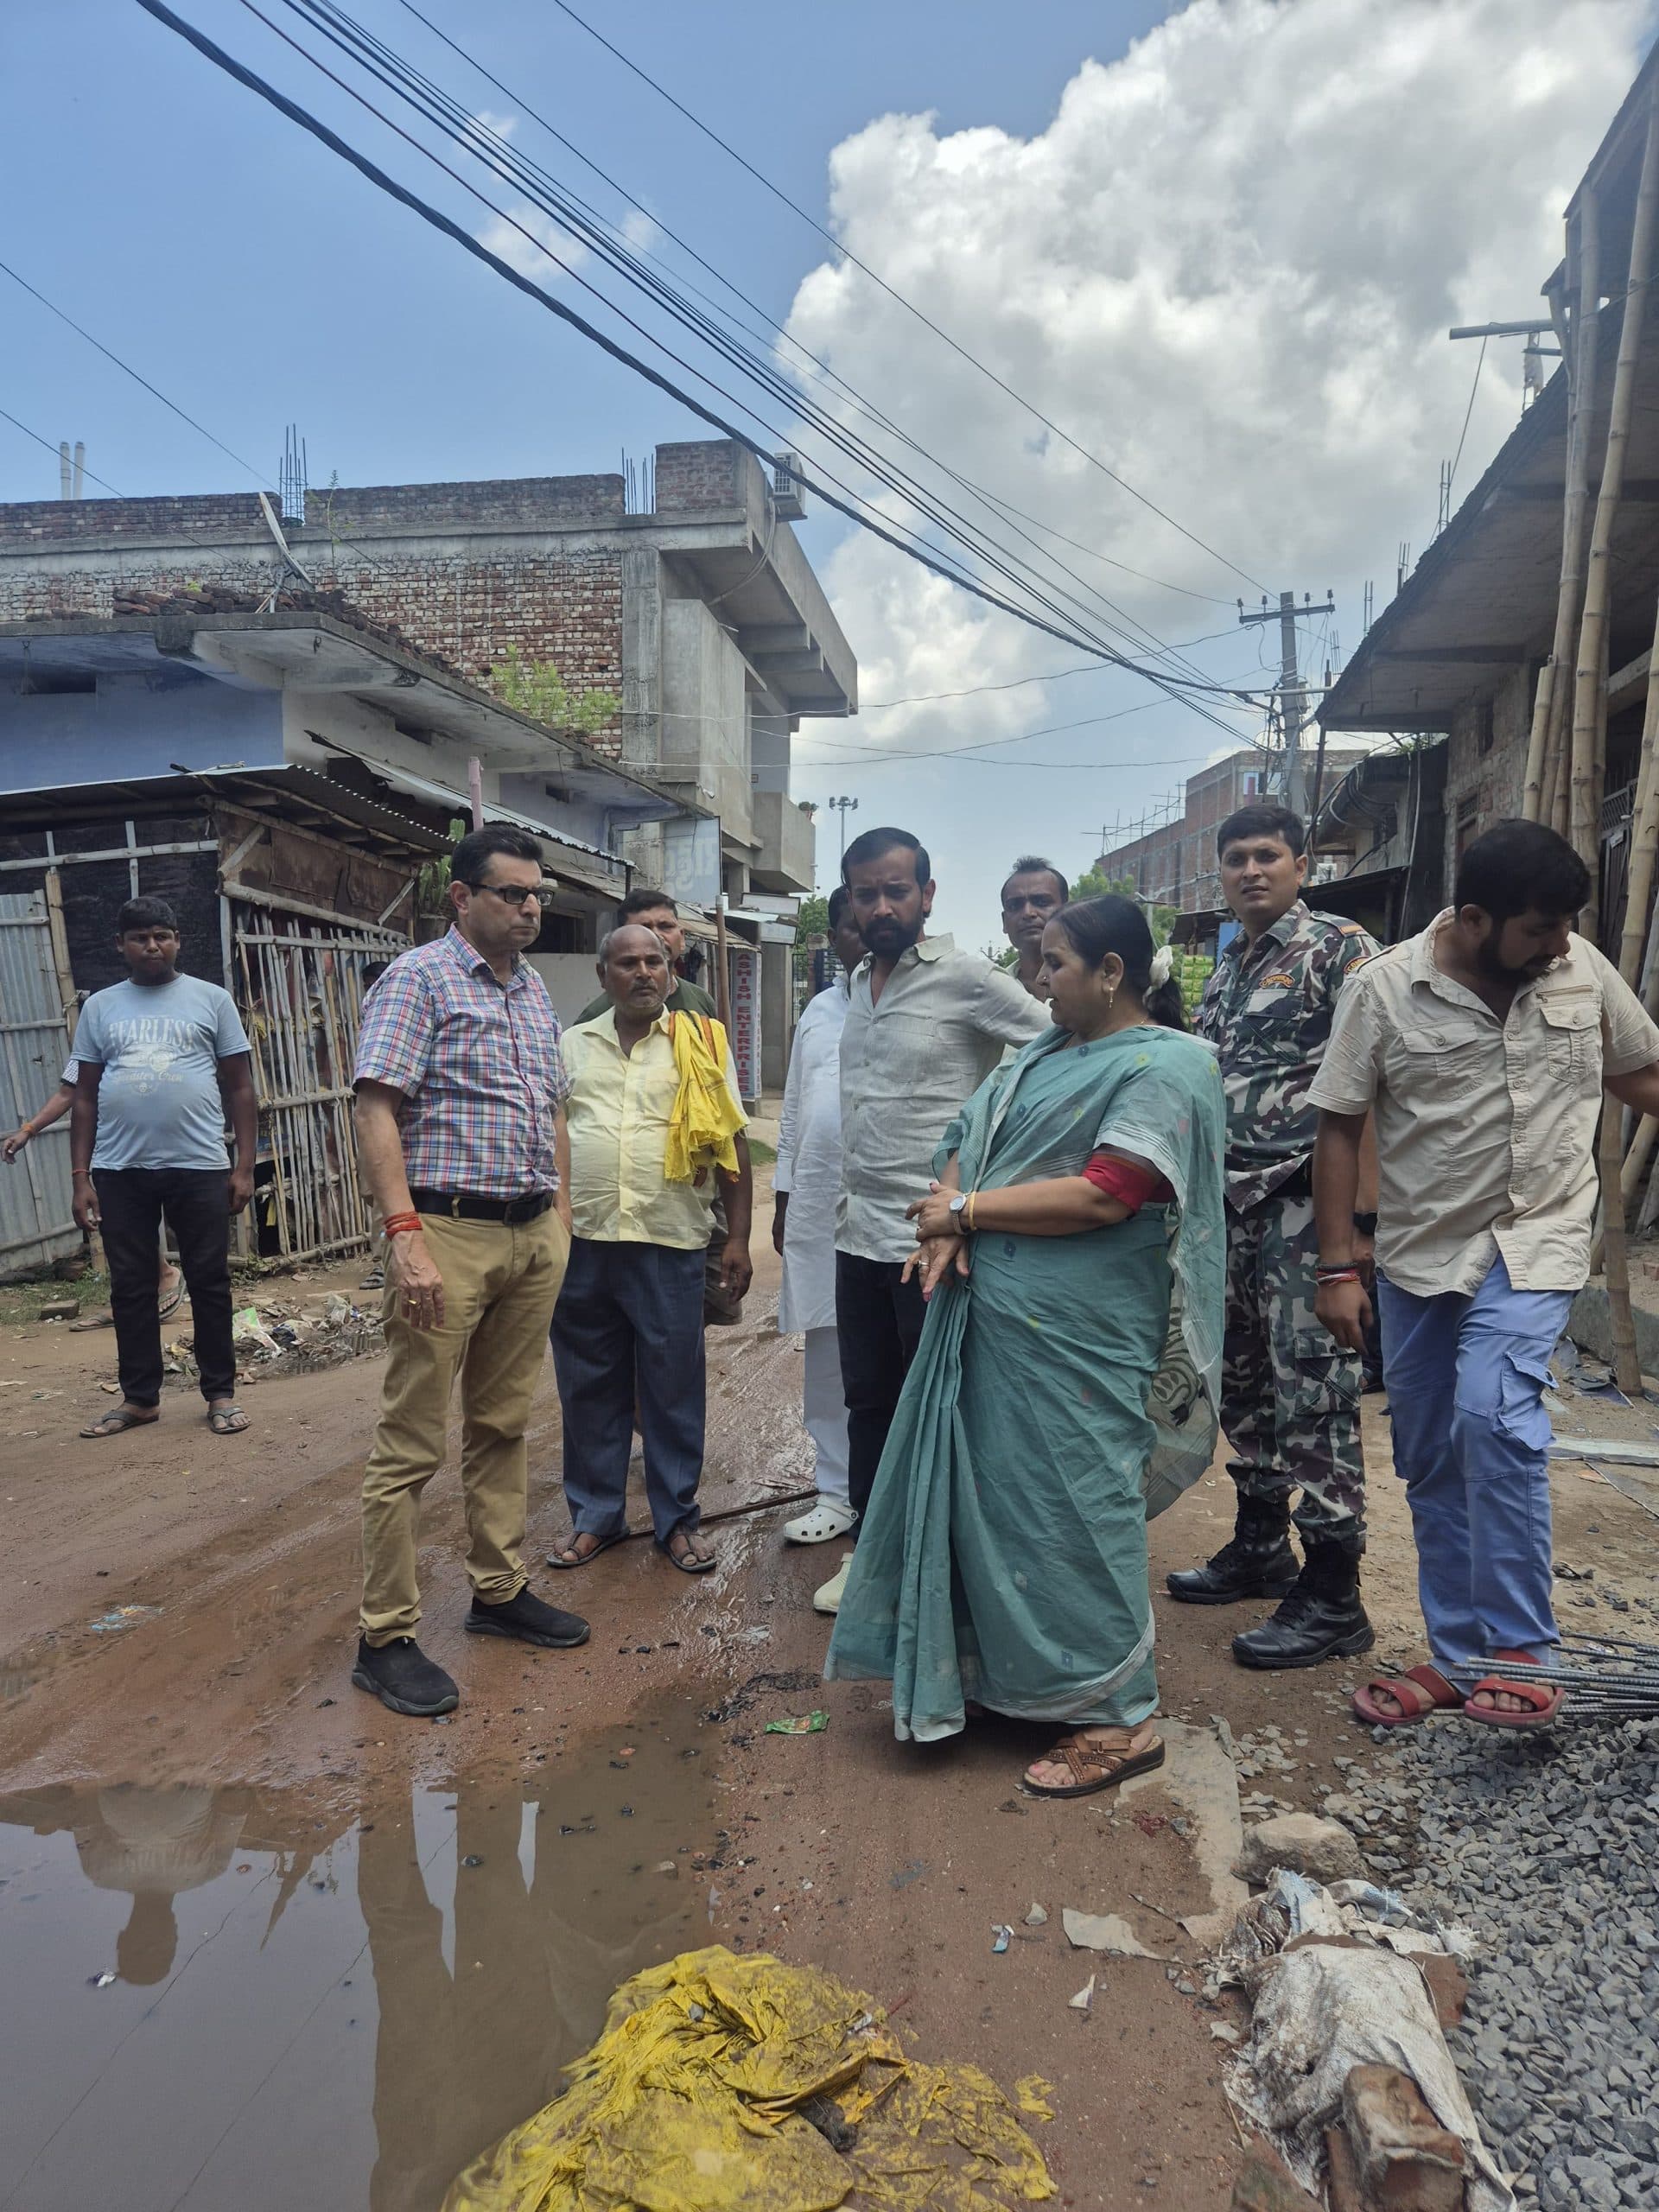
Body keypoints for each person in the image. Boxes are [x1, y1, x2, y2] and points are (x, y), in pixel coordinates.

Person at [826, 895, 1225, 1794]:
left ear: (1112, 972)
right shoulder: (1044, 1052)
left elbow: (1108, 1191)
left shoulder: (1171, 1064)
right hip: (993, 1312)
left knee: (1078, 1509)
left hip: (1082, 1332)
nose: (1039, 980)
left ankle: (1121, 1715)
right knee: (997, 1498)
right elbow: (969, 1131)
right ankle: (1014, 1675)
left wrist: (964, 1212)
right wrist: (949, 1223)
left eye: (1054, 963)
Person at [1311, 819, 1659, 1730]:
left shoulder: (1580, 969)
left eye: (1565, 927)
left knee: (1492, 1416)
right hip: (1421, 1252)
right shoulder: (1385, 989)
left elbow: (1641, 1073)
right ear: (1473, 917)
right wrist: (1335, 1265)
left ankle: (1523, 1653)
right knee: (1429, 1456)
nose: (1558, 945)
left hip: (1538, 1237)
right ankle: (1462, 1657)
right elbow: (1339, 1125)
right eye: (1540, 929)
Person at [352, 826, 589, 1720]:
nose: (531, 907)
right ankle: (384, 1636)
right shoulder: (417, 979)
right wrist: (403, 1233)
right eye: (512, 893)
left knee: (501, 1422)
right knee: (410, 1438)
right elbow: (376, 1108)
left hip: (530, 1233)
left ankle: (497, 1590)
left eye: (538, 895)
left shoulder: (533, 993)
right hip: (446, 1228)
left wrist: (560, 1216)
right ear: (463, 898)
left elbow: (554, 1112)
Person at [1169, 804, 1381, 1669]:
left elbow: (1375, 1082)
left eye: (1268, 856)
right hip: (1232, 1209)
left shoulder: (1341, 948)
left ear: (1301, 865)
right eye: (1236, 859)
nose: (1251, 870)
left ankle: (1335, 1593)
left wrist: (1357, 1232)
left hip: (1304, 1206)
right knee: (1248, 1384)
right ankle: (1261, 1544)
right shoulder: (1225, 968)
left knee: (1317, 1394)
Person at [819, 825, 1051, 1615]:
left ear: (926, 896)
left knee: (945, 1408)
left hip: (935, 1244)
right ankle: (872, 1561)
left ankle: (945, 1574)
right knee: (869, 1402)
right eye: (865, 893)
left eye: (896, 890)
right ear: (850, 898)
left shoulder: (967, 978)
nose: (880, 906)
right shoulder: (856, 982)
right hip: (858, 1236)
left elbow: (1054, 1057)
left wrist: (980, 1193)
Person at [550, 924, 753, 1574]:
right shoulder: (570, 1046)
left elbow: (734, 1144)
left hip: (670, 1240)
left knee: (672, 1385)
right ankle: (597, 1517)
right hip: (583, 1239)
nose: (643, 972)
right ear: (603, 976)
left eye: (654, 962)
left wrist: (740, 1236)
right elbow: (547, 1133)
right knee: (588, 1383)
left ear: (671, 972)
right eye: (628, 963)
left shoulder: (701, 1046)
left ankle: (678, 1521)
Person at [67, 898, 257, 1441]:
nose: (153, 946)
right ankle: (140, 1398)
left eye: (163, 935)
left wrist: (243, 1166)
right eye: (141, 938)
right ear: (120, 946)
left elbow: (240, 1085)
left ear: (177, 940)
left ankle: (220, 1393)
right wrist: (81, 1178)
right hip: (119, 1168)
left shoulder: (211, 1000)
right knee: (129, 1286)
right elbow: (84, 1097)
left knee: (210, 1280)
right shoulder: (101, 1008)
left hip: (198, 1164)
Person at [772, 889, 866, 1544]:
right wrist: (783, 1195)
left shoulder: (929, 1006)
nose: (867, 932)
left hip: (898, 1214)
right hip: (819, 1207)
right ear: (834, 939)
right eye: (852, 926)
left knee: (896, 1357)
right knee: (828, 1354)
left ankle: (890, 1495)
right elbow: (794, 1109)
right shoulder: (819, 1010)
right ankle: (835, 1490)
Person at [7, 1061, 183, 1320]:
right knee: (120, 1226)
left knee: (135, 1224)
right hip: (112, 1152)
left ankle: (161, 1279)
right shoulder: (93, 1042)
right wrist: (29, 1129)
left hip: (160, 1144)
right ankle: (145, 1288)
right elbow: (67, 1093)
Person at [573, 887, 715, 1026]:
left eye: (665, 926)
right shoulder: (595, 1019)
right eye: (644, 928)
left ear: (682, 938)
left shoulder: (702, 1001)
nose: (657, 936)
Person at [1000, 856, 1068, 999]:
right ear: (1005, 922)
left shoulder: (1098, 984)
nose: (1028, 913)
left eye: (1042, 902)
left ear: (1068, 911)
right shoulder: (993, 990)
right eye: (1015, 906)